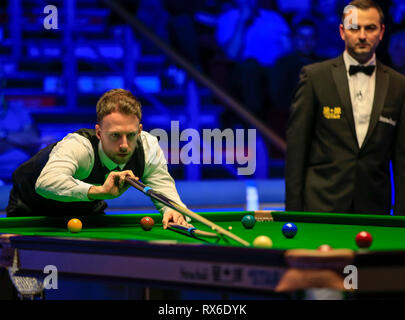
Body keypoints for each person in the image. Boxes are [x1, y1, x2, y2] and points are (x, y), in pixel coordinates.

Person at [6, 88, 192, 229]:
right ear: (99, 133)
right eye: (115, 135)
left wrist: (172, 210)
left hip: (86, 210)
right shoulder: (79, 146)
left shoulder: (148, 147)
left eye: (131, 134)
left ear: (140, 130)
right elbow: (46, 183)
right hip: (34, 211)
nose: (125, 144)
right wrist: (99, 191)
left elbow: (161, 185)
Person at [285, 0, 405, 215]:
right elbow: (296, 149)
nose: (361, 35)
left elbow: (402, 158)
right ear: (342, 31)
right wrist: (293, 212)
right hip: (321, 204)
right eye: (354, 27)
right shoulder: (314, 77)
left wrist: (402, 218)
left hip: (374, 208)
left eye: (370, 28)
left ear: (381, 32)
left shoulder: (399, 85)